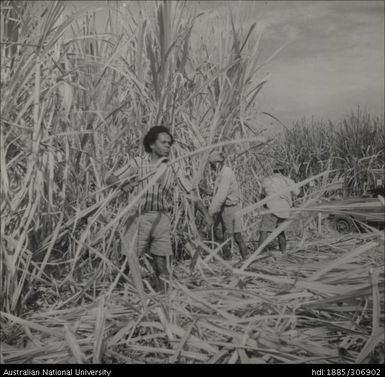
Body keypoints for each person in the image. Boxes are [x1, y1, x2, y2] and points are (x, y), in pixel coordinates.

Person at [106, 126, 208, 292]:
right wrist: (121, 184)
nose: (168, 146)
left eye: (169, 143)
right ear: (152, 145)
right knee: (128, 262)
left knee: (162, 265)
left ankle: (163, 302)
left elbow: (190, 191)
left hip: (161, 219)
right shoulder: (139, 163)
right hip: (138, 218)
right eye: (163, 142)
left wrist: (206, 213)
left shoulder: (173, 167)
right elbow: (109, 178)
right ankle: (116, 294)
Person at [207, 148, 248, 261]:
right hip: (223, 208)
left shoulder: (225, 174)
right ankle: (227, 257)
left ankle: (246, 260)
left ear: (217, 163)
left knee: (236, 235)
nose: (210, 167)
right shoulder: (221, 173)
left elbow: (221, 196)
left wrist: (210, 212)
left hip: (230, 208)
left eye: (211, 164)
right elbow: (219, 192)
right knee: (218, 232)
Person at [258, 164, 300, 254]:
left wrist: (263, 205)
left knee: (264, 230)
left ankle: (259, 253)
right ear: (283, 171)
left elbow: (261, 196)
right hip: (284, 210)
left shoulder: (267, 180)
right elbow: (297, 192)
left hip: (271, 208)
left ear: (274, 171)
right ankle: (283, 251)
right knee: (280, 231)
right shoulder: (288, 181)